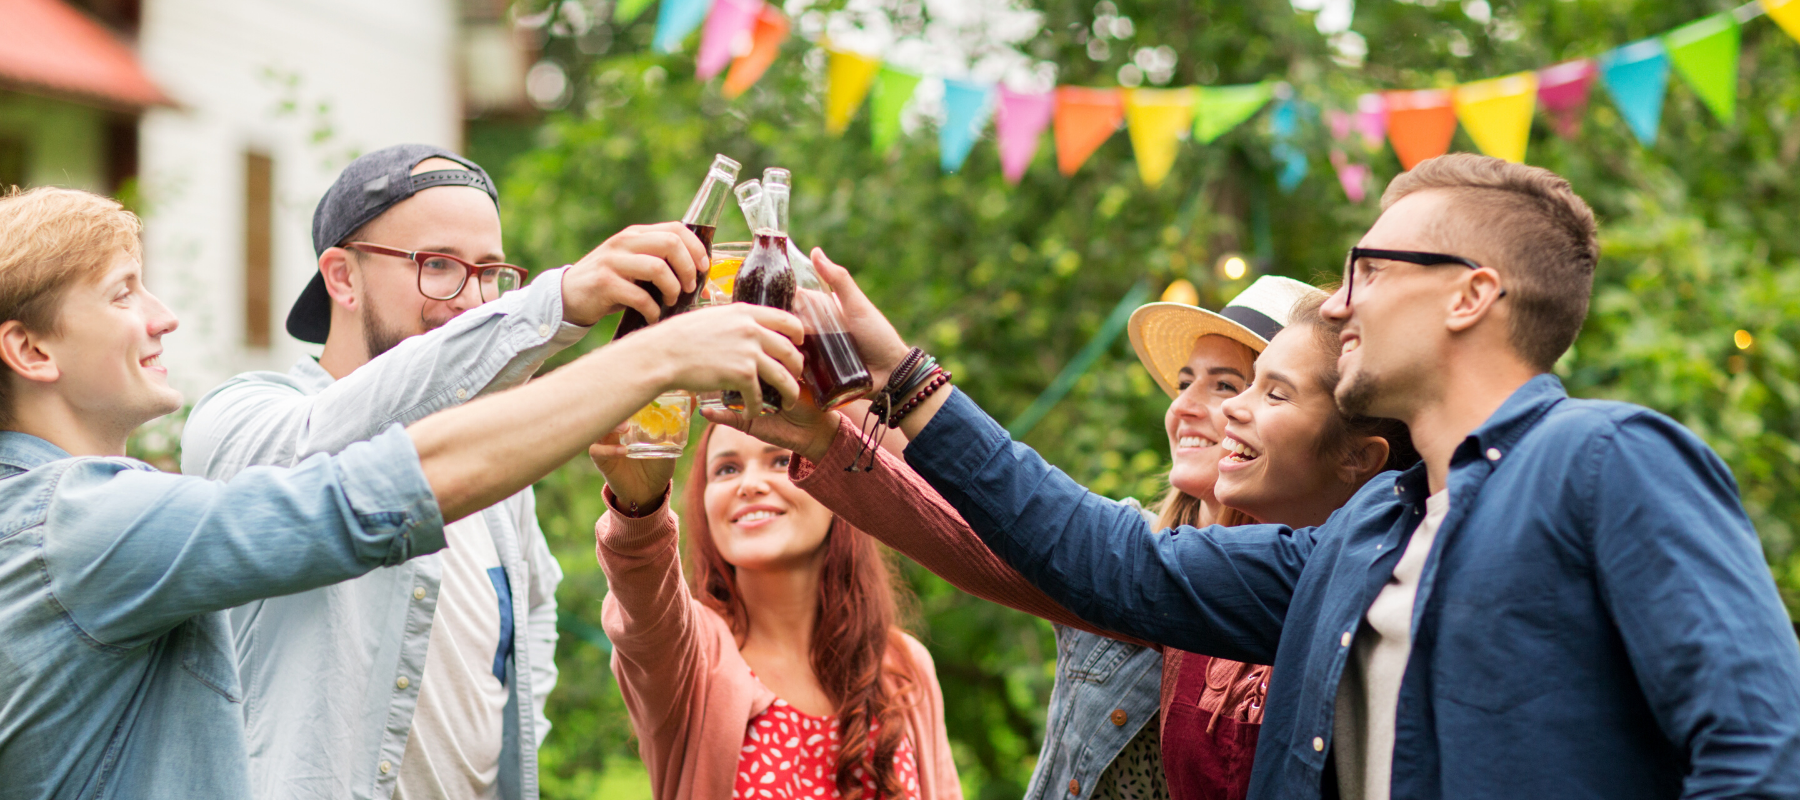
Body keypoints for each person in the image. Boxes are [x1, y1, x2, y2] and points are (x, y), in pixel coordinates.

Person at [796, 153, 1800, 798]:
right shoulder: (1361, 537)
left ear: (1471, 296)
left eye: (1369, 269)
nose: (1339, 302)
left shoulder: (1608, 460)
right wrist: (903, 375)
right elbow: (1110, 561)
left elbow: (1762, 748)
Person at [0, 186, 806, 799]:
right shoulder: (77, 523)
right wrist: (652, 356)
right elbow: (354, 496)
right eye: (123, 293)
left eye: (492, 273)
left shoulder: (77, 512)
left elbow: (523, 650)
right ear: (30, 350)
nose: (164, 317)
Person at [723, 279, 1414, 800]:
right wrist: (834, 425)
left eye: (1254, 388)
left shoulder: (1363, 577)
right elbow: (979, 530)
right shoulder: (1153, 549)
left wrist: (898, 383)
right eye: (1187, 383)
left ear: (1357, 453)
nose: (1200, 407)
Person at [176, 144, 711, 800]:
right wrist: (560, 303)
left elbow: (533, 611)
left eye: (489, 272)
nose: (474, 300)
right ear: (342, 277)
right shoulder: (241, 421)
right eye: (438, 266)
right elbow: (337, 442)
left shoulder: (492, 461)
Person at [590, 420, 960, 800]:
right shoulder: (694, 656)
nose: (749, 484)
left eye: (782, 460)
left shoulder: (903, 666)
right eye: (727, 469)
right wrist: (641, 508)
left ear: (836, 489)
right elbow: (646, 609)